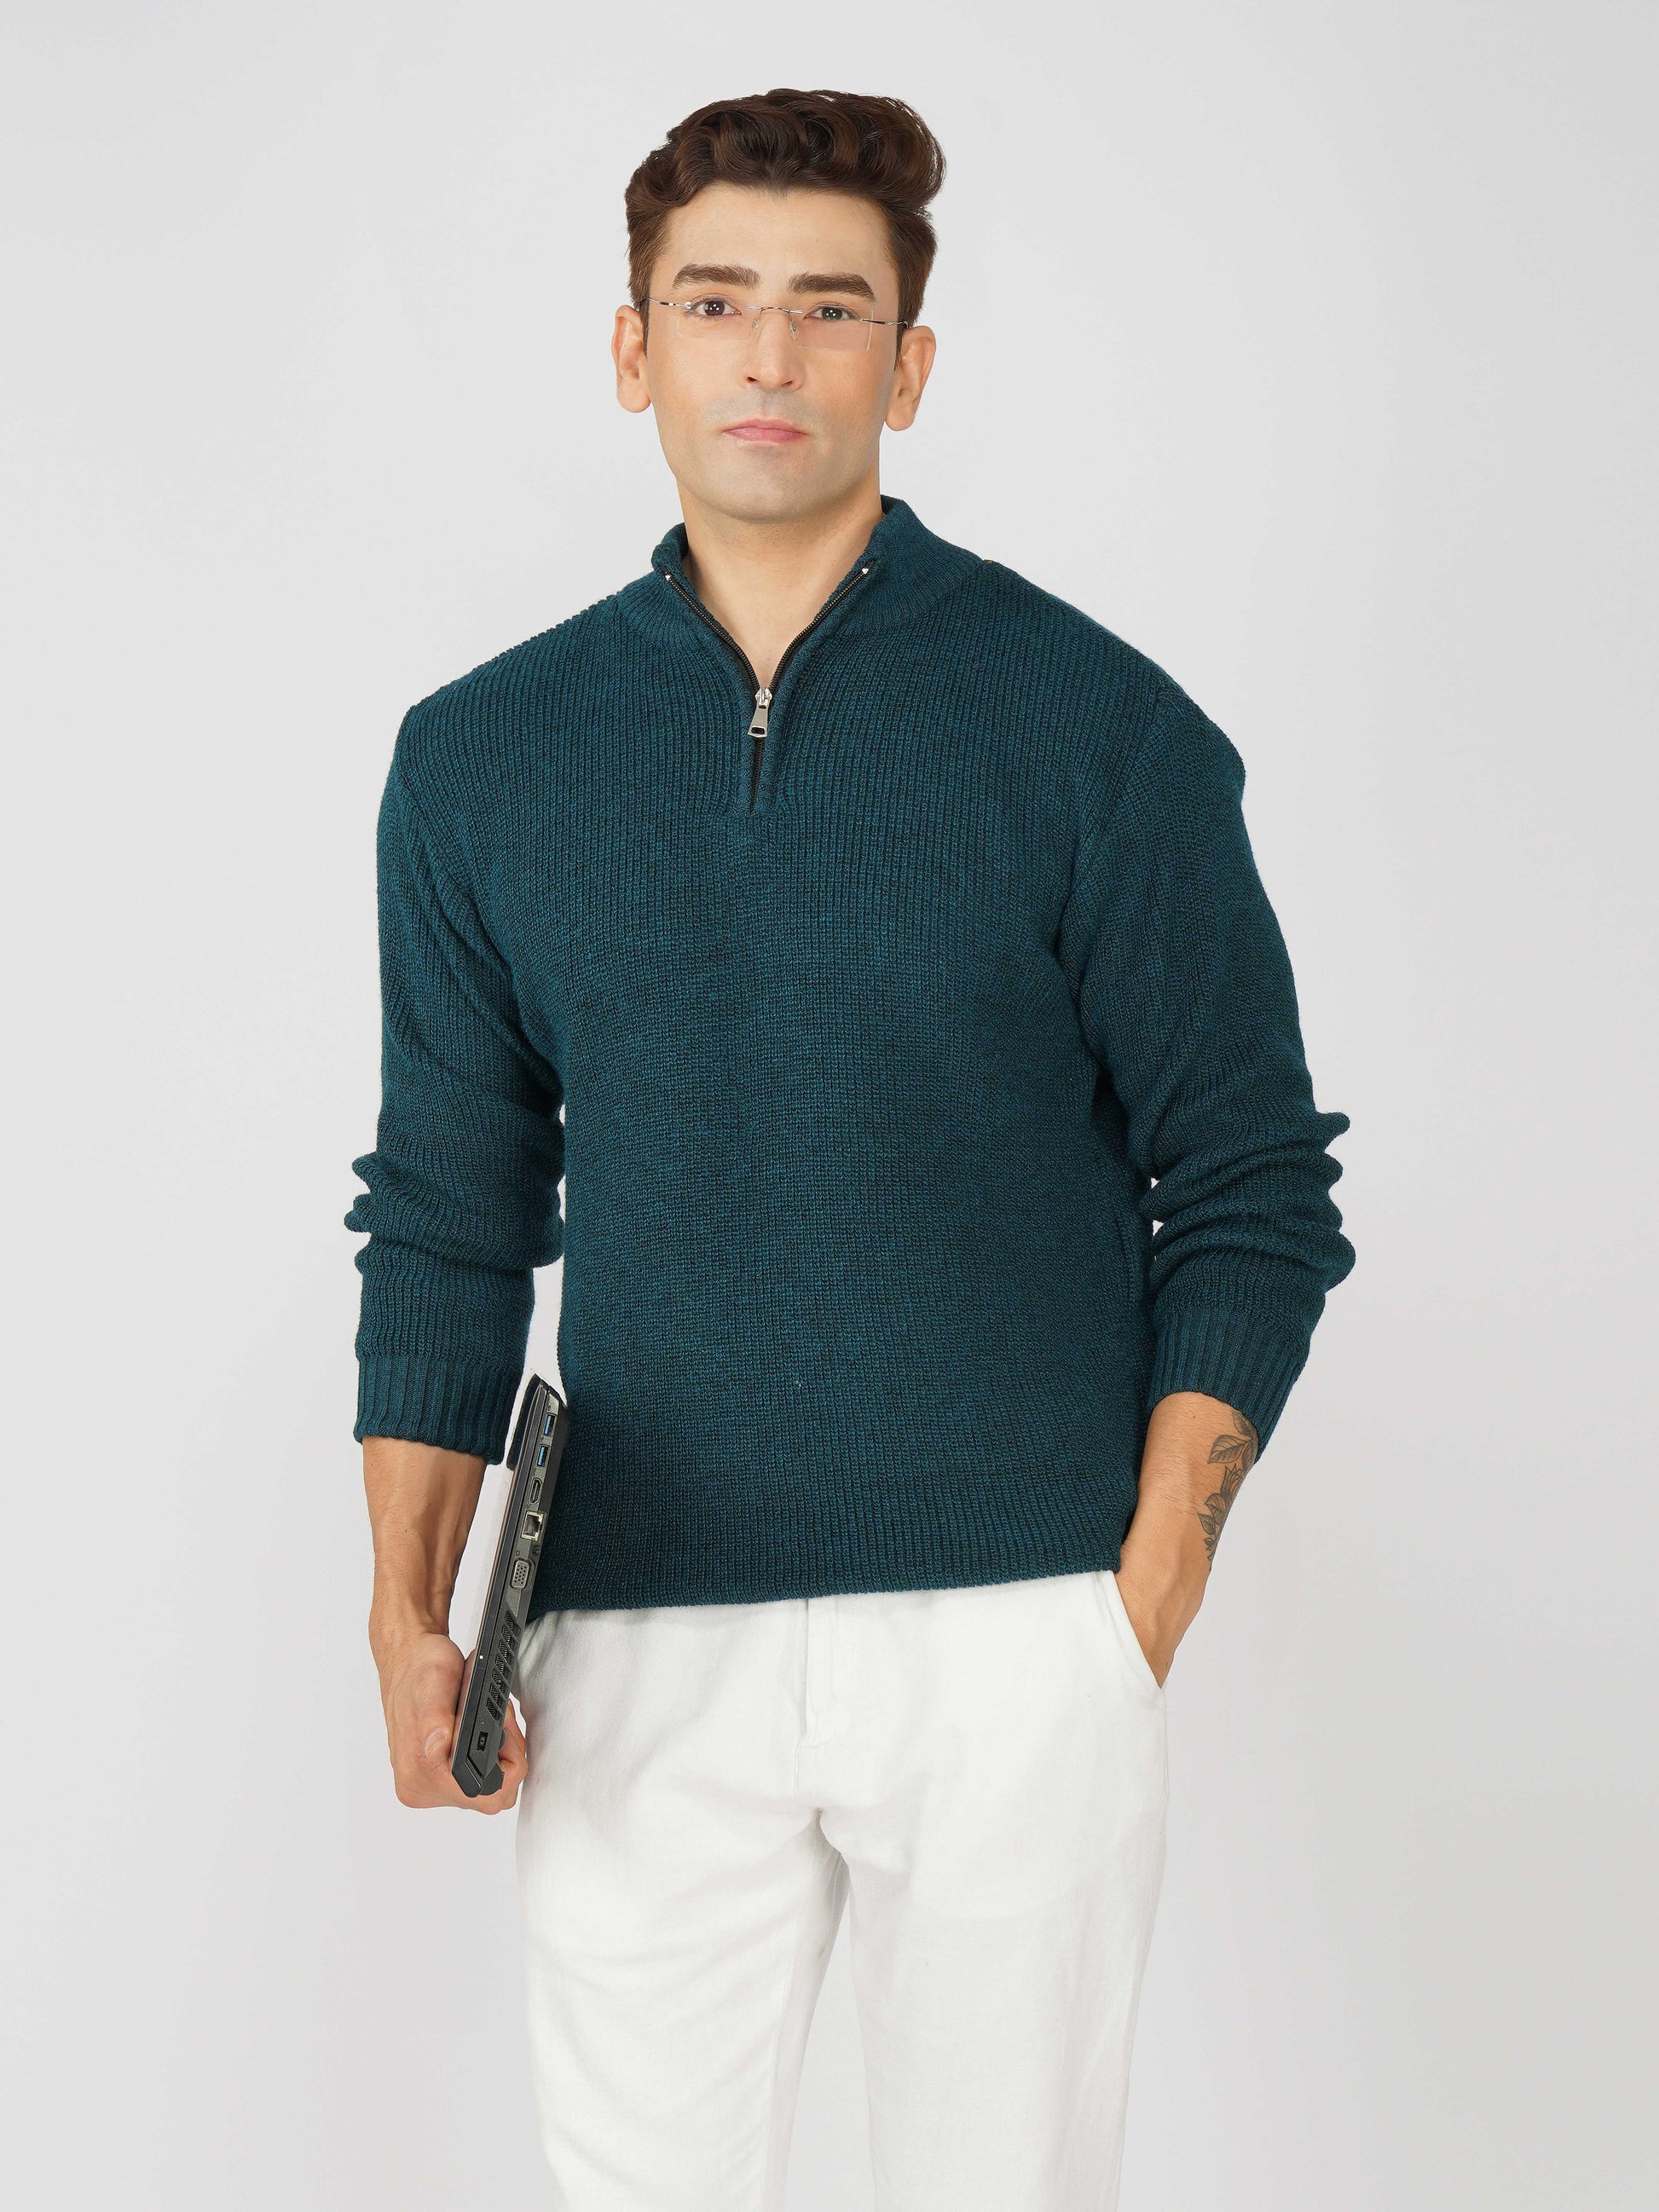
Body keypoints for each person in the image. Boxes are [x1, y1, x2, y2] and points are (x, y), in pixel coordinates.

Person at [346, 85, 1356, 2211]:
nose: (768, 354)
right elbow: (445, 1209)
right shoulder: (479, 758)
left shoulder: (1097, 731)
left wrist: (1140, 1591)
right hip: (630, 1636)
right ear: (631, 348)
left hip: (1017, 1628)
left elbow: (1250, 1179)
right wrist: (409, 1607)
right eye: (715, 301)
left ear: (907, 365)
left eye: (829, 308)